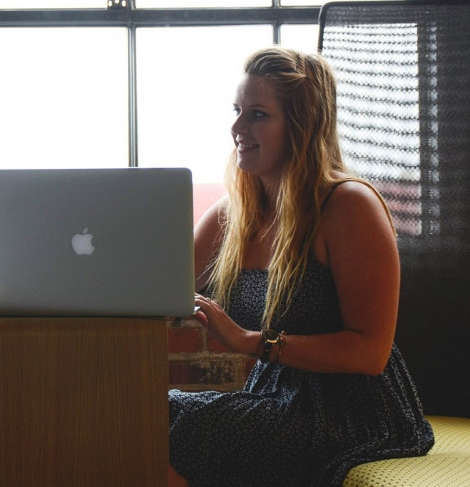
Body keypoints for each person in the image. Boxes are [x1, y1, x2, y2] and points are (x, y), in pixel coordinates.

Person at [168, 47, 433, 487]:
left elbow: (370, 353)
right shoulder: (232, 216)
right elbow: (156, 290)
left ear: (301, 125)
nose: (237, 128)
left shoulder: (348, 207)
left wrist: (251, 341)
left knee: (179, 432)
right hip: (272, 400)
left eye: (257, 114)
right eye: (237, 111)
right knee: (148, 416)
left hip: (354, 414)